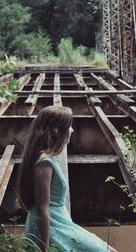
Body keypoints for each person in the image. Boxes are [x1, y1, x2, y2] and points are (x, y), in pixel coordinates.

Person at [17, 105, 117, 252]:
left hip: (60, 221)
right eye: (69, 126)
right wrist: (43, 248)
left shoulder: (47, 159)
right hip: (52, 226)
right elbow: (41, 208)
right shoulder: (44, 163)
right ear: (58, 130)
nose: (72, 130)